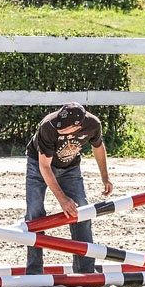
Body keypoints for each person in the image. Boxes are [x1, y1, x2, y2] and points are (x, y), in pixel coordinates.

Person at [24, 102, 112, 275]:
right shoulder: (48, 125)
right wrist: (62, 199)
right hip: (38, 165)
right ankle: (34, 270)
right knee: (35, 213)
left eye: (65, 128)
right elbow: (45, 167)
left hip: (70, 167)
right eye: (59, 125)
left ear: (78, 125)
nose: (60, 129)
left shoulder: (93, 124)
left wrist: (105, 176)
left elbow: (98, 147)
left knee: (83, 210)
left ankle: (85, 269)